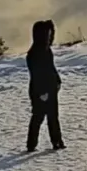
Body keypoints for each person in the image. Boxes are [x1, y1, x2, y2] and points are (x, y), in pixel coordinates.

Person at [25, 19, 65, 152]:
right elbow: (36, 74)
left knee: (53, 117)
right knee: (38, 117)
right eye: (47, 34)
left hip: (51, 88)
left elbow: (51, 68)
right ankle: (31, 144)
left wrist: (57, 81)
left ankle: (57, 142)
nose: (50, 36)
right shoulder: (34, 53)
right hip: (40, 91)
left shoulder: (46, 50)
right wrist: (41, 92)